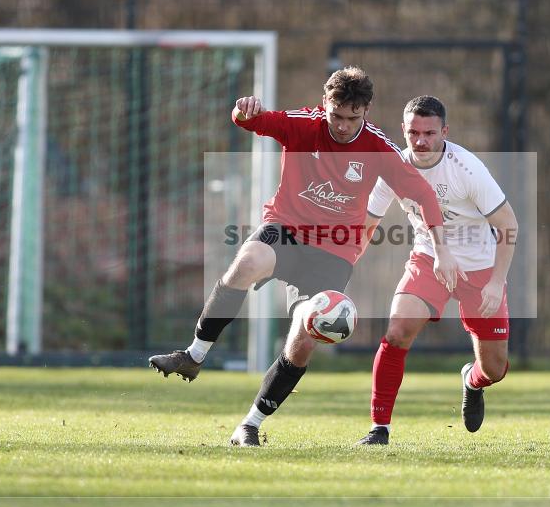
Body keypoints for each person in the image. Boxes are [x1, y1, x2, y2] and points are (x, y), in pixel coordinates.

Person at [149, 67, 461, 447]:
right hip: (285, 228)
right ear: (324, 103)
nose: (342, 126)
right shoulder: (302, 125)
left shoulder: (378, 148)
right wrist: (243, 110)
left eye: (352, 118)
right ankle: (194, 355)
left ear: (366, 111)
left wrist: (441, 250)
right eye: (336, 115)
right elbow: (250, 121)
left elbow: (424, 195)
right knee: (247, 263)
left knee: (304, 340)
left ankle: (249, 426)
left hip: (333, 252)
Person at [356, 95, 518, 445]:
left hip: (479, 269)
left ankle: (471, 381)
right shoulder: (393, 168)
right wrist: (341, 267)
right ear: (403, 130)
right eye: (413, 133)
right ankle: (379, 428)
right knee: (397, 331)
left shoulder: (467, 168)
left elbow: (508, 224)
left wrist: (496, 282)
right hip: (428, 260)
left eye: (429, 133)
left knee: (495, 369)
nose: (421, 141)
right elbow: (367, 225)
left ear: (444, 132)